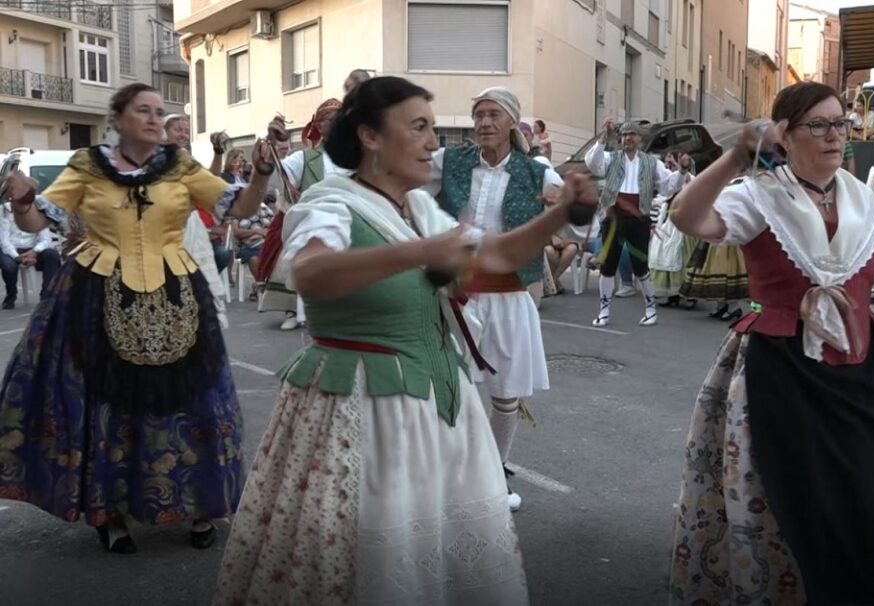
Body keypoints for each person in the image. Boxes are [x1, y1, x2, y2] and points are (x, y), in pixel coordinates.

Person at [212, 75, 595, 605]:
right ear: (370, 136)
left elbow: (499, 256)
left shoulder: (418, 211)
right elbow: (314, 272)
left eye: (432, 129)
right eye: (419, 128)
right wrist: (419, 254)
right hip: (363, 411)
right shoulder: (329, 202)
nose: (434, 143)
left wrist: (561, 212)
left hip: (433, 408)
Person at [668, 81, 874, 605]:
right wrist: (737, 155)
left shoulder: (866, 203)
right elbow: (688, 217)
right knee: (798, 501)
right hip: (781, 369)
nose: (834, 135)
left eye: (840, 124)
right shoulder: (758, 196)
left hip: (869, 367)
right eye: (818, 125)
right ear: (785, 132)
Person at [0, 82, 274, 554]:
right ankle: (111, 513)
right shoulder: (87, 165)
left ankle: (199, 502)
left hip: (175, 291)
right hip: (94, 290)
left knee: (196, 399)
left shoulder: (181, 166)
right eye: (142, 110)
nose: (153, 118)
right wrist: (23, 200)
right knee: (104, 406)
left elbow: (237, 206)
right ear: (119, 119)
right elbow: (38, 221)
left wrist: (263, 176)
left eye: (158, 111)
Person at [431, 86, 564, 511]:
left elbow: (577, 219)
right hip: (456, 296)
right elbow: (403, 183)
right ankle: (451, 474)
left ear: (511, 122)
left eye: (492, 115)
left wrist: (563, 207)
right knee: (453, 389)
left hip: (508, 295)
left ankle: (494, 474)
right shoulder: (448, 161)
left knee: (505, 394)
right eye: (479, 115)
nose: (484, 123)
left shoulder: (537, 171)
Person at [258, 98, 345, 329]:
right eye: (330, 119)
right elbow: (280, 180)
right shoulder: (304, 158)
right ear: (318, 125)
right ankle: (293, 310)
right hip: (311, 227)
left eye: (340, 118)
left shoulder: (356, 158)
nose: (336, 123)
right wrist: (273, 148)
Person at [586, 119, 680, 327]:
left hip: (639, 219)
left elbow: (667, 186)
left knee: (641, 266)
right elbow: (593, 163)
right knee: (608, 266)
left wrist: (681, 173)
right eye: (624, 134)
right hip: (614, 219)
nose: (628, 138)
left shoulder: (651, 162)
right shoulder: (611, 158)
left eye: (632, 134)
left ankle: (650, 309)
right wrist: (603, 137)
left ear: (639, 138)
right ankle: (604, 311)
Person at [164, 113, 230, 327]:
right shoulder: (155, 159)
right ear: (164, 132)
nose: (183, 134)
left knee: (200, 277)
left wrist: (218, 152)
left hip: (192, 227)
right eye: (177, 129)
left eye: (186, 130)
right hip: (167, 227)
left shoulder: (187, 160)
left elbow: (212, 179)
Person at [649, 152, 698, 307]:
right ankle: (671, 294)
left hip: (684, 223)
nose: (667, 163)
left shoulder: (689, 177)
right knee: (663, 253)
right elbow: (666, 191)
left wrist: (680, 167)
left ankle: (688, 296)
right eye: (666, 161)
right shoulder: (666, 179)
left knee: (682, 257)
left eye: (671, 160)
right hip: (667, 221)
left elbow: (688, 180)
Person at [0, 203, 61, 307]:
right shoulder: (5, 210)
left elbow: (46, 239)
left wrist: (34, 251)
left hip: (33, 248)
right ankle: (11, 295)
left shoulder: (39, 210)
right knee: (8, 265)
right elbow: (4, 241)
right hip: (11, 249)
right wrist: (17, 257)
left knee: (52, 255)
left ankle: (46, 297)